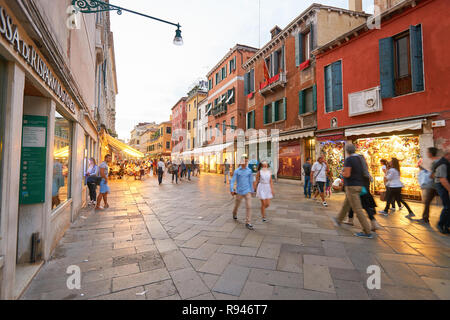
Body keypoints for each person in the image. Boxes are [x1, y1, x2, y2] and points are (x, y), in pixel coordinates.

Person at [332, 144, 373, 239]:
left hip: (351, 186)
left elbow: (347, 174)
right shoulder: (360, 158)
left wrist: (342, 172)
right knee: (346, 204)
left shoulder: (349, 159)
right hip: (359, 185)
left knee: (357, 209)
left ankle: (367, 231)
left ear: (347, 151)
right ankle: (339, 220)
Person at [344, 153, 381, 232]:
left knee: (362, 207)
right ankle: (350, 219)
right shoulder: (366, 172)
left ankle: (371, 225)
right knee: (354, 204)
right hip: (364, 191)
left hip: (359, 191)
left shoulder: (358, 171)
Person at [415, 147, 440, 224]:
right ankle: (425, 218)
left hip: (436, 185)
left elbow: (433, 175)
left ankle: (425, 218)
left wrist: (426, 175)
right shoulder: (437, 161)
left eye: (427, 152)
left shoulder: (435, 162)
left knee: (427, 202)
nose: (427, 153)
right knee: (427, 201)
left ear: (430, 153)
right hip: (435, 185)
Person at [230, 157, 255, 230]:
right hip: (239, 192)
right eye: (244, 161)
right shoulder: (237, 171)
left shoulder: (249, 171)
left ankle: (248, 222)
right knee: (237, 205)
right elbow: (232, 181)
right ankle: (234, 213)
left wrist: (252, 191)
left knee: (249, 206)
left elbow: (250, 181)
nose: (245, 163)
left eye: (246, 162)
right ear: (241, 162)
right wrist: (231, 189)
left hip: (247, 191)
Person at [433, 149, 450, 234]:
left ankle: (447, 226)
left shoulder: (446, 163)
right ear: (447, 155)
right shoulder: (442, 164)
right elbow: (443, 180)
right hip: (442, 186)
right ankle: (440, 224)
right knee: (447, 206)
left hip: (444, 185)